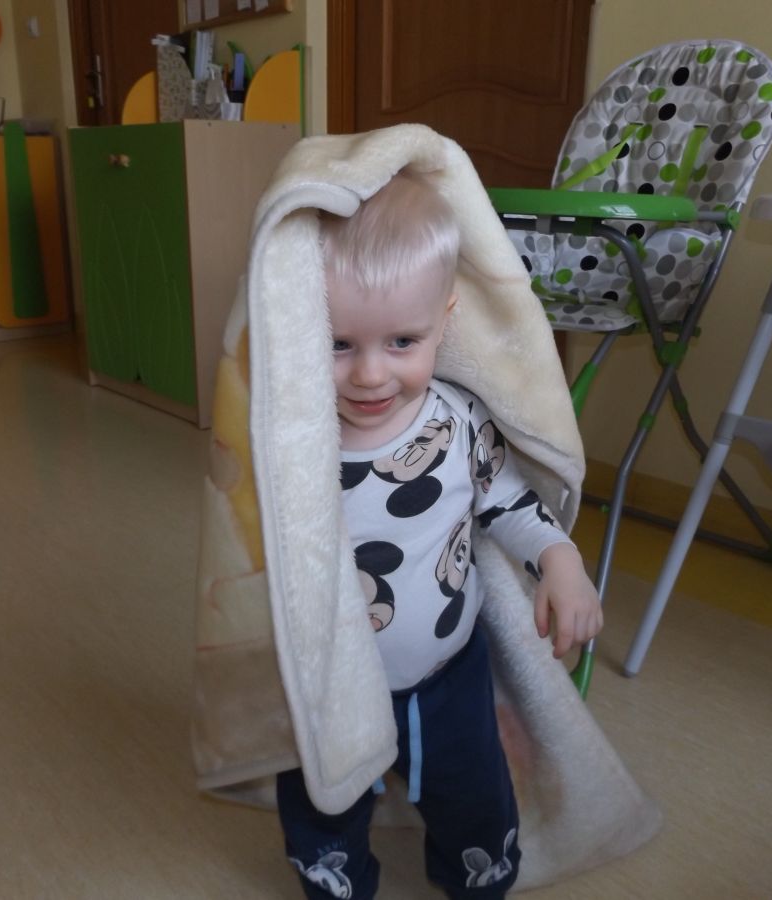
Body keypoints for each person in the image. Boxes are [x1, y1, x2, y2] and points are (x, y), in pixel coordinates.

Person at [274, 171, 603, 899]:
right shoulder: (290, 433)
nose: (369, 374)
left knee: (474, 798)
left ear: (445, 318)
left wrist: (560, 558)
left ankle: (475, 882)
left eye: (402, 340)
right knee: (324, 806)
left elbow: (509, 501)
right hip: (325, 679)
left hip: (445, 677)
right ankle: (337, 882)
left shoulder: (456, 423)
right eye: (337, 343)